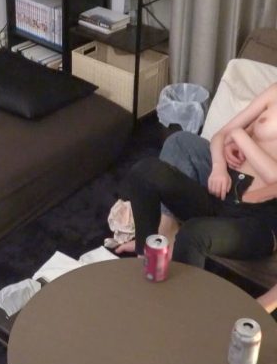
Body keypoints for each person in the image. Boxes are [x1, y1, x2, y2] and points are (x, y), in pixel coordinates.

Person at [115, 82, 277, 269]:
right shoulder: (274, 91)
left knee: (192, 234)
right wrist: (219, 167)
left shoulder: (242, 137)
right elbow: (221, 135)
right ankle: (147, 253)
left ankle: (181, 285)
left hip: (260, 218)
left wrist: (240, 136)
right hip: (224, 192)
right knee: (145, 171)